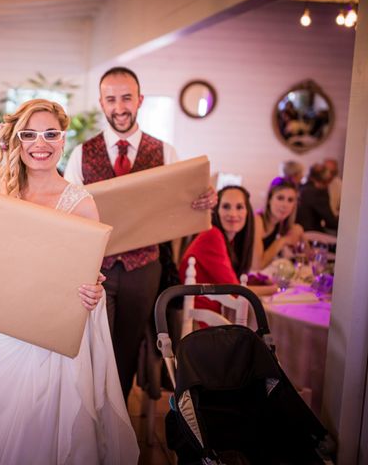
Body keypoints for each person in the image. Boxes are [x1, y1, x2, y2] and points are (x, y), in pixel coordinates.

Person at [0, 99, 139, 463]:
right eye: (30, 134)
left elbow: (87, 277)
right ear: (17, 140)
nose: (41, 143)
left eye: (51, 133)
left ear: (62, 139)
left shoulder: (81, 203)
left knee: (40, 434)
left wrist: (92, 291)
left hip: (49, 338)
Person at [63, 66, 216, 400]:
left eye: (127, 98)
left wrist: (204, 200)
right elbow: (69, 213)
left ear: (140, 100)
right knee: (91, 345)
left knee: (127, 349)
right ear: (102, 103)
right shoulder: (80, 154)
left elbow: (183, 206)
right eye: (111, 99)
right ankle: (88, 415)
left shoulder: (165, 153)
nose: (120, 107)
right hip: (94, 269)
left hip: (144, 268)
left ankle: (114, 425)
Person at [179, 185, 256, 315]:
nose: (233, 214)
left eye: (239, 207)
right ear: (216, 210)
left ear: (247, 212)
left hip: (215, 315)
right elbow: (236, 291)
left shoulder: (229, 240)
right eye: (226, 206)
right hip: (200, 321)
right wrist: (277, 289)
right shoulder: (212, 235)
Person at [253, 177, 305, 270]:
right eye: (280, 198)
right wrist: (282, 241)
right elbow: (257, 266)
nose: (285, 205)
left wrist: (301, 233)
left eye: (290, 200)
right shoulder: (257, 220)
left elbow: (308, 259)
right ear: (269, 199)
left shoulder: (280, 224)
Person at [296, 164, 339, 233]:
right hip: (311, 233)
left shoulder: (301, 188)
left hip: (298, 230)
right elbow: (330, 222)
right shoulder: (318, 193)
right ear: (325, 181)